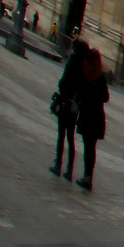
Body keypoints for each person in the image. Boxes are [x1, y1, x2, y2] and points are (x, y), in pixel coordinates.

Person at [59, 46, 110, 192]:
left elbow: (81, 95)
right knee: (90, 148)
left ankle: (87, 178)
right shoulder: (100, 77)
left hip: (88, 116)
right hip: (97, 116)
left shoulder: (87, 77)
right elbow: (106, 98)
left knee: (88, 148)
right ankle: (88, 177)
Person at [50, 39, 88, 181]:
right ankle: (69, 171)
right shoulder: (84, 67)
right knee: (71, 138)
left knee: (61, 135)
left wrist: (62, 88)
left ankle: (58, 165)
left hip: (66, 102)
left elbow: (63, 82)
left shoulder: (72, 63)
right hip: (74, 107)